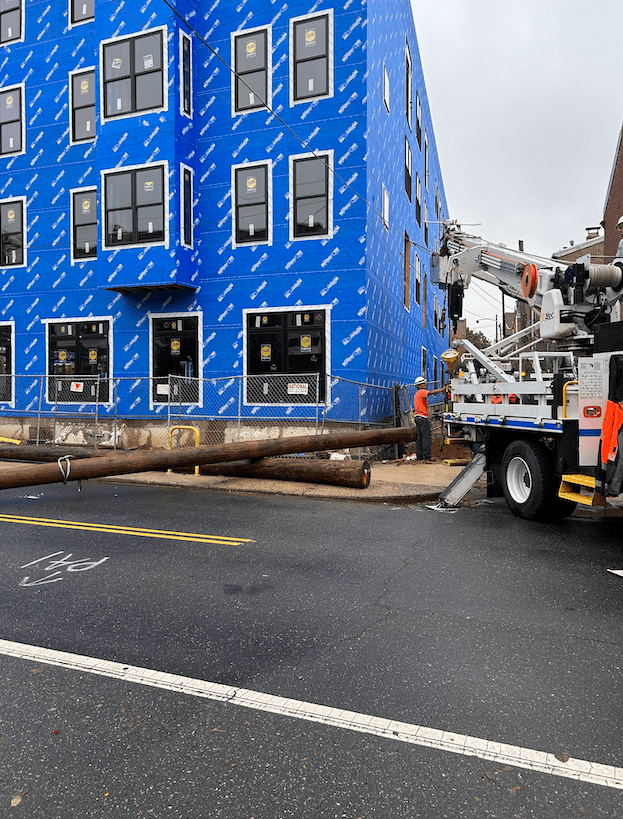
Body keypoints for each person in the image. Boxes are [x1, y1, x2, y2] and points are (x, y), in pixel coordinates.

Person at [413, 376, 446, 463]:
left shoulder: (417, 394)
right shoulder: (422, 392)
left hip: (417, 417)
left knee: (419, 438)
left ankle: (419, 456)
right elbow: (431, 393)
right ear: (420, 385)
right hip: (423, 418)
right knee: (426, 437)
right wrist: (443, 389)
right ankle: (427, 457)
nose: (425, 384)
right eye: (423, 383)